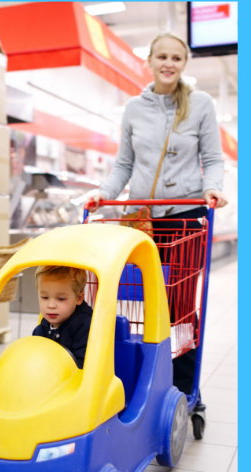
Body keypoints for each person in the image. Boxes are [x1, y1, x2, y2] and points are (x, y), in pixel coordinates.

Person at [92, 32, 228, 402]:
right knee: (141, 302)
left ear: (184, 64)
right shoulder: (134, 108)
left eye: (177, 58)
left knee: (181, 306)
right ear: (149, 62)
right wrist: (103, 193)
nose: (169, 63)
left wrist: (213, 187)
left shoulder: (200, 104)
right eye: (162, 57)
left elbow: (213, 158)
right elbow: (124, 164)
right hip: (143, 218)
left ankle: (184, 389)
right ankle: (143, 380)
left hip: (186, 218)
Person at [33, 265, 92, 369]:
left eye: (61, 299)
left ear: (78, 298)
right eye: (45, 297)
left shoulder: (85, 326)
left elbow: (83, 365)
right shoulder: (41, 329)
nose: (51, 305)